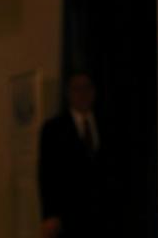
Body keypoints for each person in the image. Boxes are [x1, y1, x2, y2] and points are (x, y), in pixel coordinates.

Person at [38, 73, 108, 238]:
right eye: (77, 89)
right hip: (68, 217)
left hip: (102, 217)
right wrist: (50, 214)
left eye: (87, 88)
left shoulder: (106, 124)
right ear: (68, 93)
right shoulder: (53, 129)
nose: (83, 94)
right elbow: (47, 173)